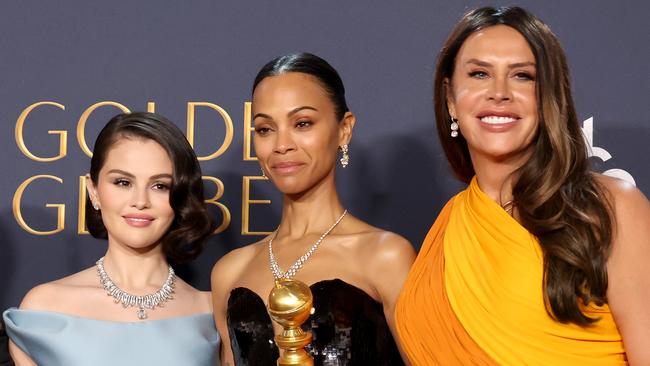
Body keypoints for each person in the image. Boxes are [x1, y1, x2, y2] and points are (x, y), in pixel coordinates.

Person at [395, 6, 650, 365]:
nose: (499, 92)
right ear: (451, 99)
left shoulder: (612, 208)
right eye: (480, 73)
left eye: (522, 76)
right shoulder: (447, 228)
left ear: (548, 98)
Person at [211, 53, 415, 365]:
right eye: (265, 129)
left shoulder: (385, 257)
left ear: (344, 129)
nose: (282, 144)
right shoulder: (229, 272)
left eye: (302, 123)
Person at [3, 112, 220, 366]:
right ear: (93, 191)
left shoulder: (210, 312)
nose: (140, 201)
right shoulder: (44, 309)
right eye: (123, 182)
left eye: (160, 186)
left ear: (180, 196)